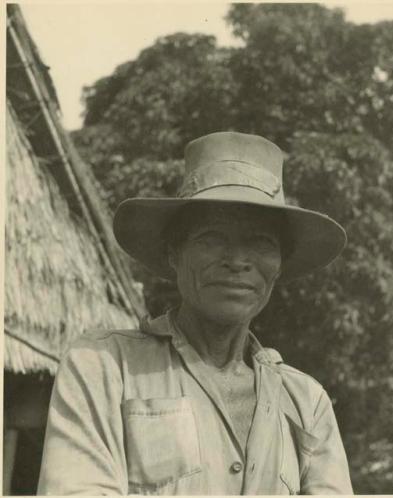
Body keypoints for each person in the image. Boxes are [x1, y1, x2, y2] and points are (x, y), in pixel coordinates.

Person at [37, 132, 353, 495]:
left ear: (279, 264)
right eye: (211, 238)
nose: (237, 261)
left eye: (260, 243)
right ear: (175, 253)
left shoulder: (306, 401)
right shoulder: (104, 366)